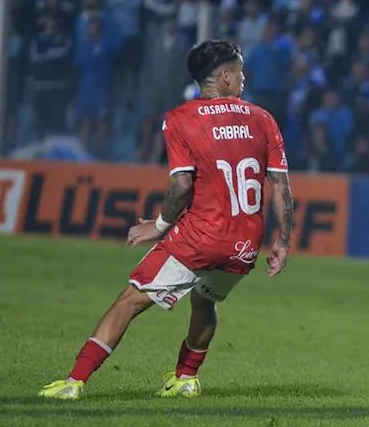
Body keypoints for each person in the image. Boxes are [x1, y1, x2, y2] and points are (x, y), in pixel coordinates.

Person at [39, 40, 294, 399]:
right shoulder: (263, 119)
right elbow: (281, 187)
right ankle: (187, 377)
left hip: (200, 236)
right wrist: (281, 243)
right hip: (244, 243)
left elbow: (181, 185)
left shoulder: (180, 119)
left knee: (129, 300)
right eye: (239, 71)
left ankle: (74, 381)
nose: (243, 78)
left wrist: (158, 226)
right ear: (224, 77)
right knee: (205, 299)